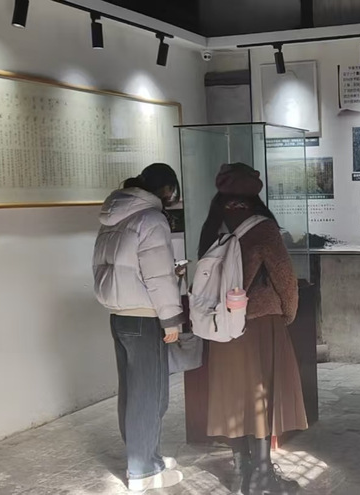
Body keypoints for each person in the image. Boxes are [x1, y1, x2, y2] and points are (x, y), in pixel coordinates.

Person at [198, 163, 308, 495]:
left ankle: (241, 471)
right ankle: (262, 475)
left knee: (234, 394)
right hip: (260, 322)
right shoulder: (263, 228)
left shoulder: (213, 225)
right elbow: (285, 278)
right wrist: (287, 313)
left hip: (222, 325)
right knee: (261, 395)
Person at [93, 163, 185, 492]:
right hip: (145, 318)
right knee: (151, 395)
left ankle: (146, 456)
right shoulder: (151, 219)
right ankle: (143, 470)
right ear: (167, 189)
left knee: (132, 392)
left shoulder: (114, 216)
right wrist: (171, 319)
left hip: (119, 316)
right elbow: (157, 276)